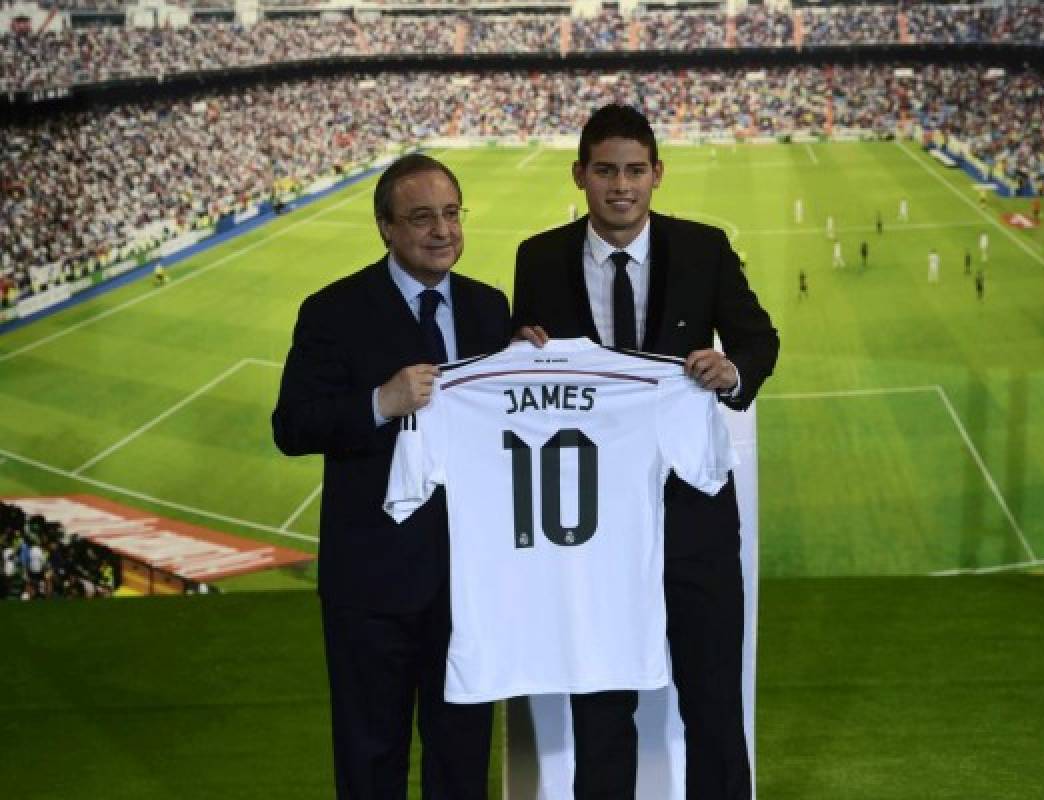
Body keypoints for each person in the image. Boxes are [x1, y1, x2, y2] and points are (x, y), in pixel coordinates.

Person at [512, 103, 779, 800]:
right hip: (591, 528)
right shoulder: (538, 259)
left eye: (634, 170)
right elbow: (523, 372)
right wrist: (522, 355)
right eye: (605, 170)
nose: (620, 186)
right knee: (600, 713)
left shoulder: (704, 248)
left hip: (695, 518)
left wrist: (734, 373)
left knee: (714, 706)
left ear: (658, 174)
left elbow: (760, 340)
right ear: (580, 175)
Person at [272, 154, 510, 800]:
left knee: (461, 762)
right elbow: (292, 426)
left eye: (452, 213)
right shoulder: (333, 311)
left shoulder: (492, 310)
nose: (443, 231)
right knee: (370, 758)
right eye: (421, 217)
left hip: (468, 583)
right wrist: (380, 402)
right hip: (371, 586)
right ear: (385, 227)